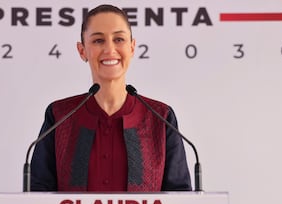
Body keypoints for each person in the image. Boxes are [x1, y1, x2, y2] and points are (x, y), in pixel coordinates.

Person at [30, 4, 192, 192]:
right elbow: (39, 194)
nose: (109, 49)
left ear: (132, 47)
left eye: (119, 39)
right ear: (82, 50)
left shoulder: (161, 117)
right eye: (98, 40)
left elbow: (180, 197)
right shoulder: (59, 115)